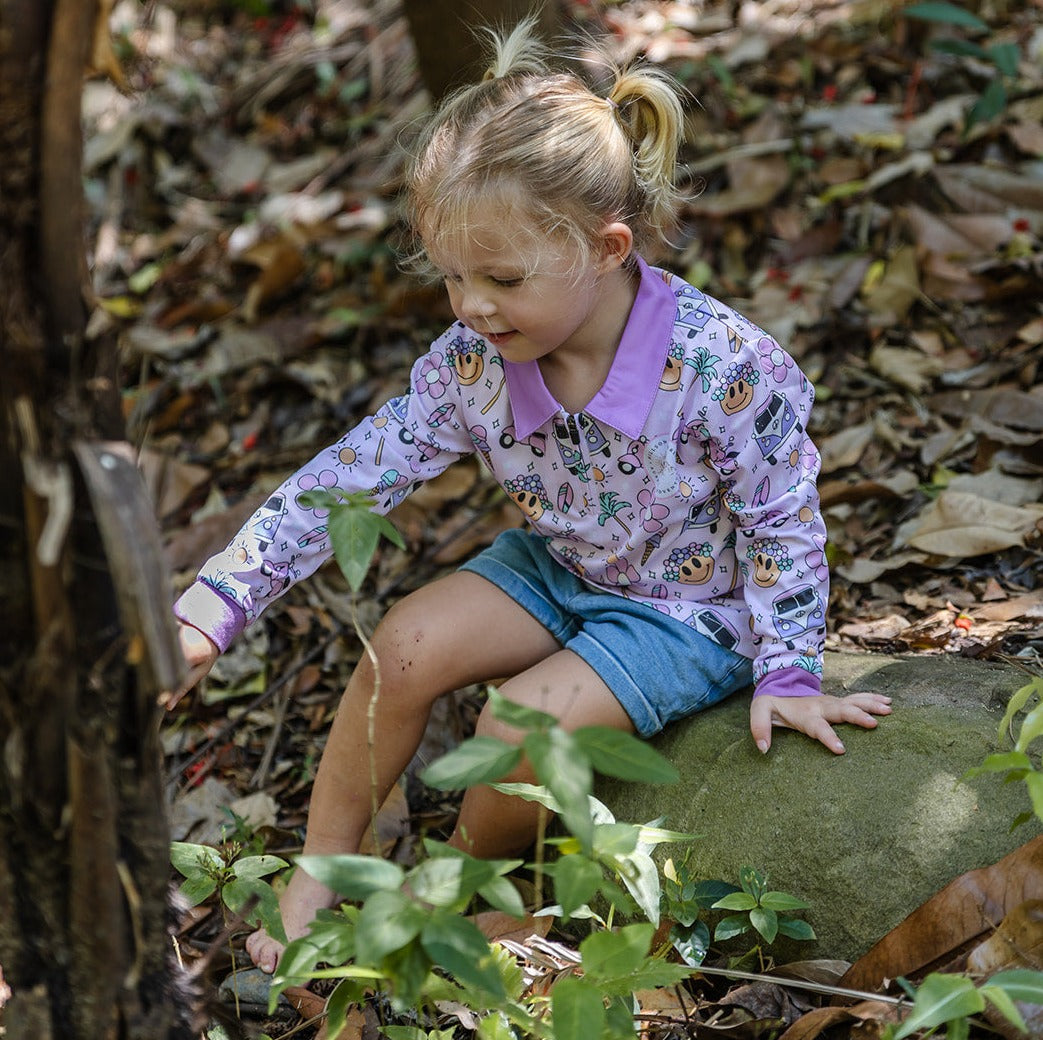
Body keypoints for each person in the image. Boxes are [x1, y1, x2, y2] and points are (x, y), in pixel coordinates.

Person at [166, 20, 891, 975]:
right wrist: (217, 606)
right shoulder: (475, 362)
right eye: (452, 277)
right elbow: (345, 479)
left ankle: (452, 885)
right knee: (402, 646)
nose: (469, 305)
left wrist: (790, 667)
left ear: (606, 247)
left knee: (519, 724)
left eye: (499, 278)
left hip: (686, 608)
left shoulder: (718, 368)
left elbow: (782, 515)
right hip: (563, 566)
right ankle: (319, 874)